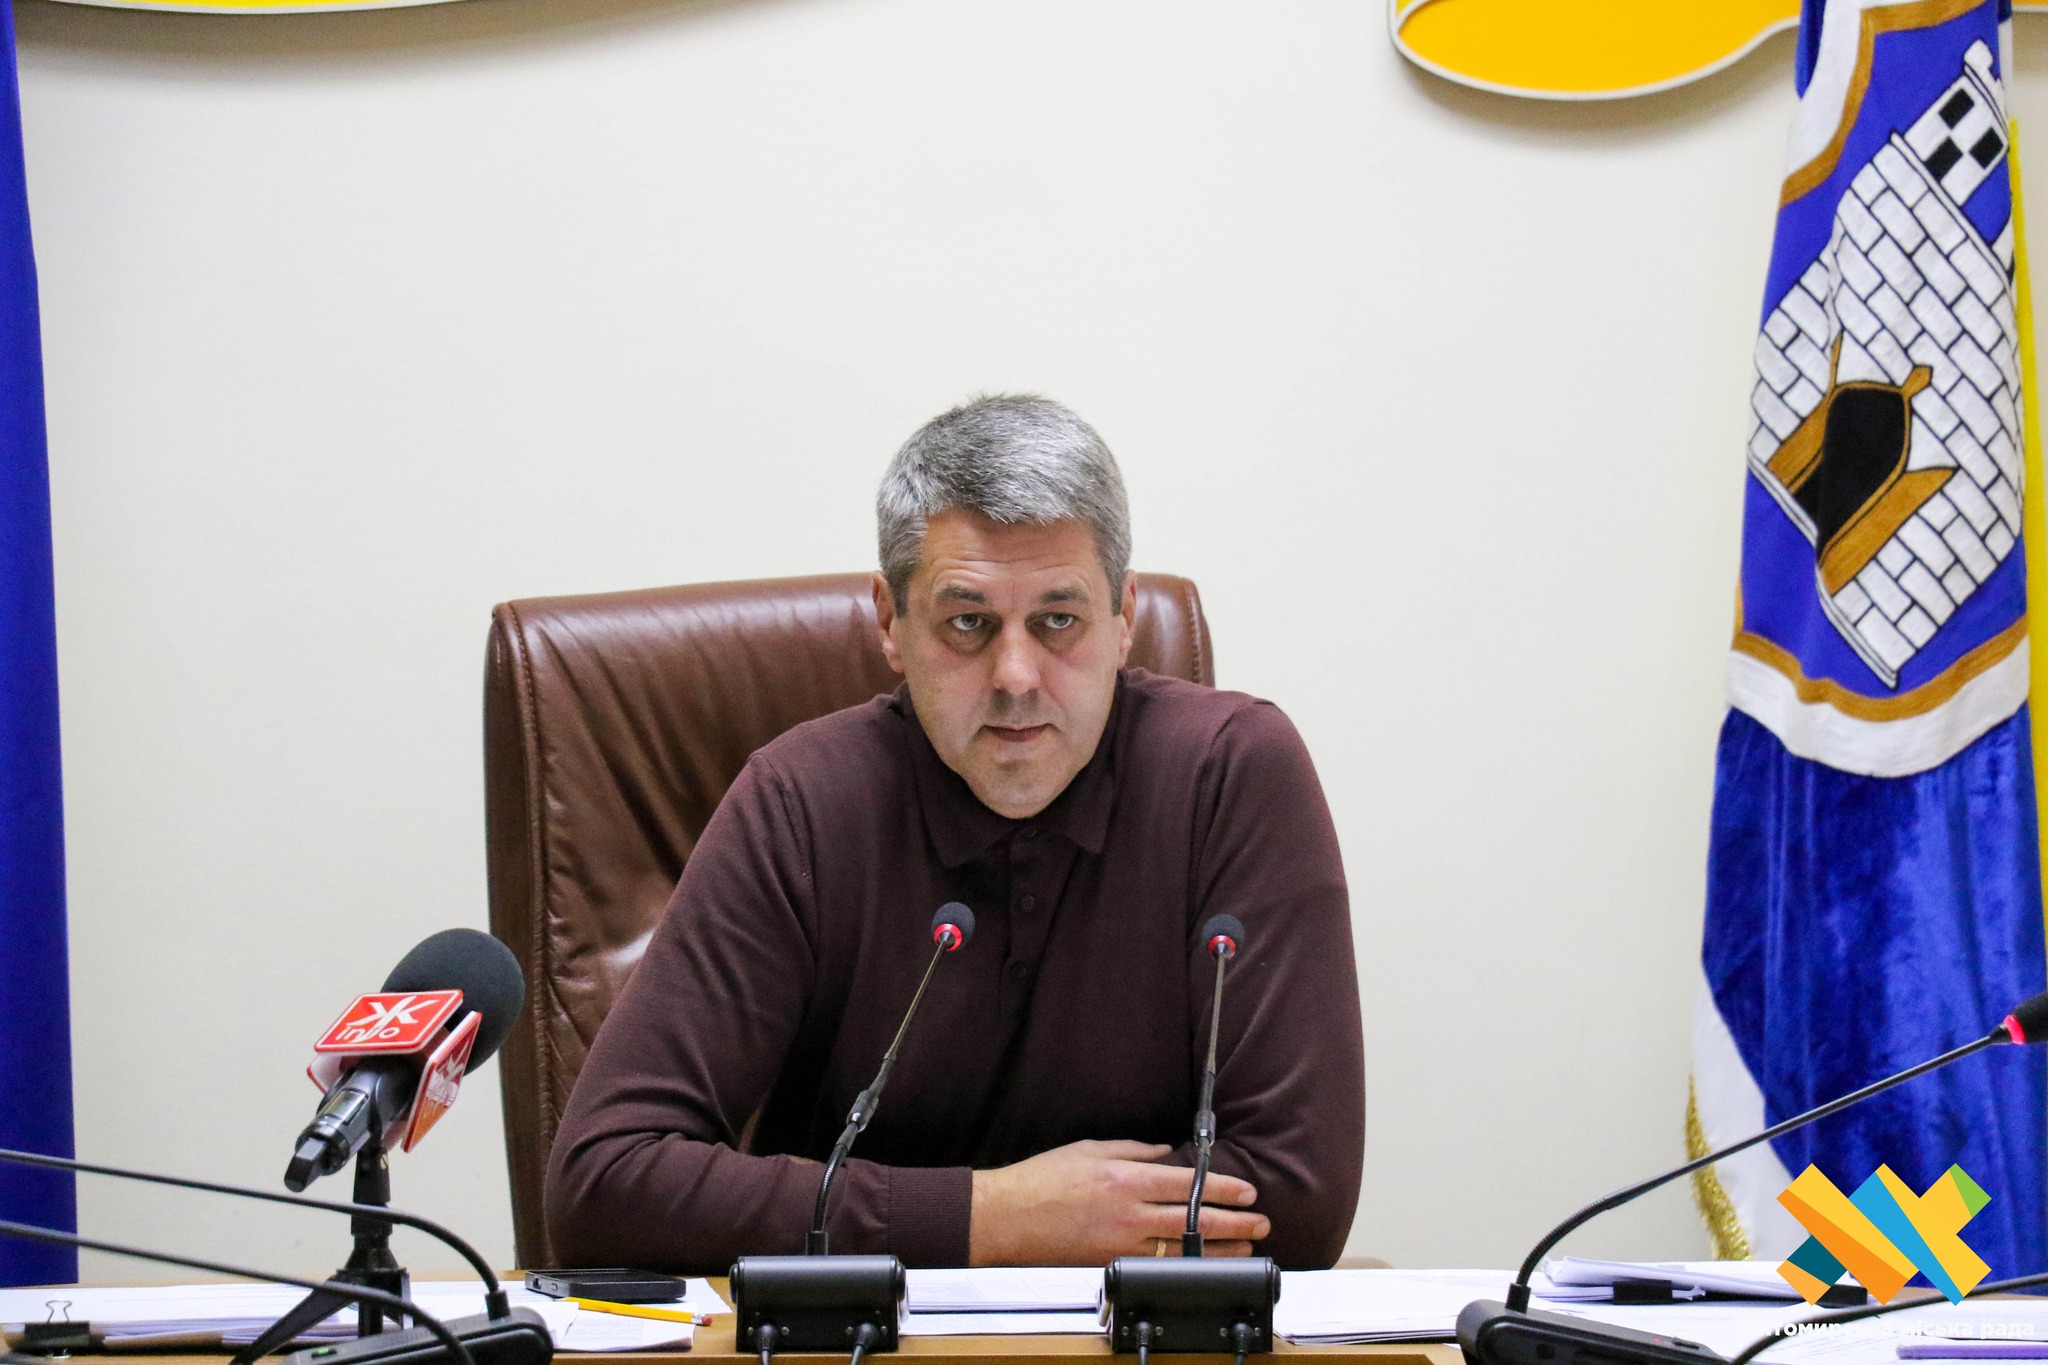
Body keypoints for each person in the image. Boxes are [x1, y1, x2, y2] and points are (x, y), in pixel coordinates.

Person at [545, 395, 1363, 1271]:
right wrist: (995, 1217)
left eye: (1058, 620)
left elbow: (1298, 1193)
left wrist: (907, 1219)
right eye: (968, 621)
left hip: (1144, 1332)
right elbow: (603, 1184)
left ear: (1124, 616)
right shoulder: (802, 801)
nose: (1016, 676)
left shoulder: (1229, 776)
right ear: (889, 621)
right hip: (857, 1332)